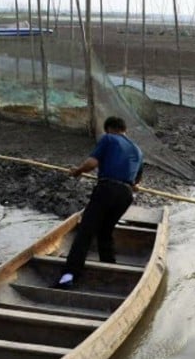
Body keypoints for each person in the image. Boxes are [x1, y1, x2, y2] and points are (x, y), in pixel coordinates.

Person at [54, 116, 144, 289]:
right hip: (125, 195)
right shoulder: (138, 150)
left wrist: (77, 171)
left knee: (85, 232)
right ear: (125, 129)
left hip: (107, 189)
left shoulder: (109, 138)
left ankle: (68, 275)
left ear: (109, 129)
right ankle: (109, 266)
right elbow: (136, 183)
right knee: (105, 230)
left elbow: (92, 163)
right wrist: (134, 185)